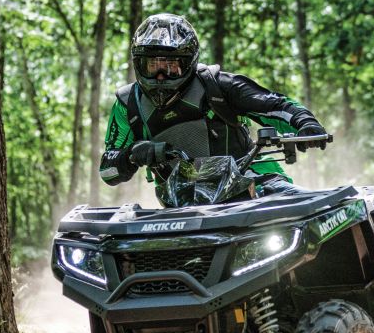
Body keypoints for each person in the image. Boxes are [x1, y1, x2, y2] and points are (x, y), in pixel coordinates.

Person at [99, 13, 326, 197]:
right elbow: (108, 171)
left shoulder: (218, 84)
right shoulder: (127, 104)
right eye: (152, 66)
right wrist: (131, 154)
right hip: (183, 199)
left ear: (189, 62)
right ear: (139, 64)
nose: (160, 76)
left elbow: (275, 105)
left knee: (303, 206)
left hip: (254, 180)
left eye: (170, 66)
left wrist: (305, 123)